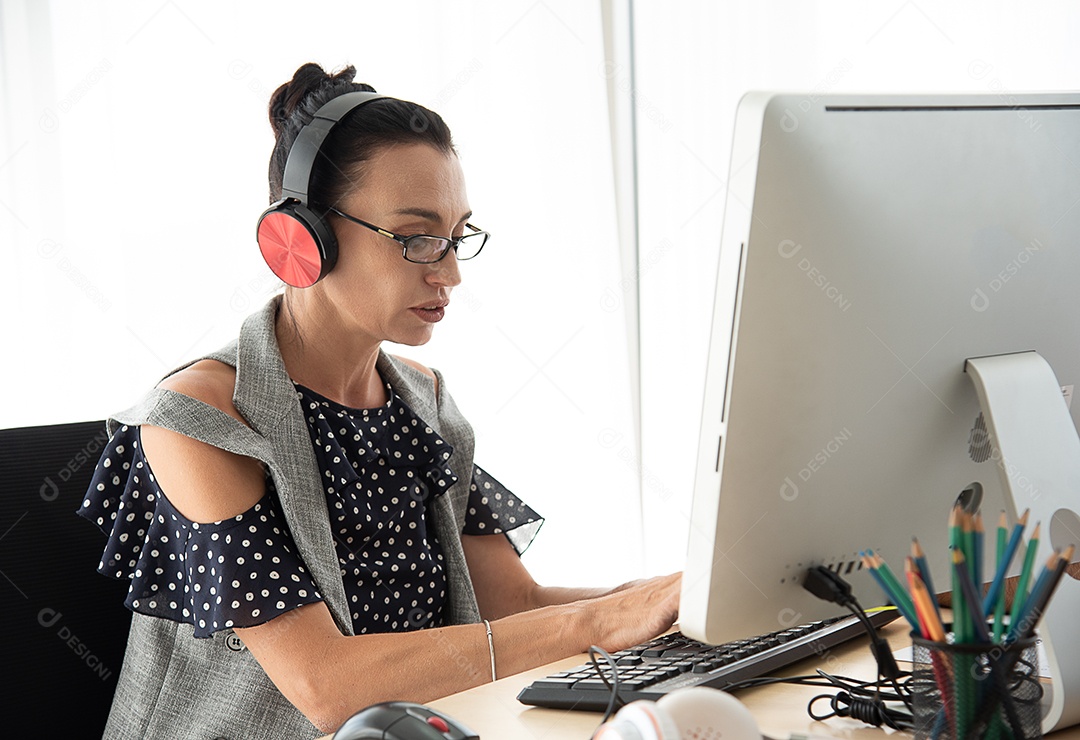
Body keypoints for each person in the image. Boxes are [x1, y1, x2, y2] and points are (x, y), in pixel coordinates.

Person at [78, 62, 681, 739]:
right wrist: (602, 620)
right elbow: (325, 684)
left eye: (457, 237)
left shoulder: (425, 403)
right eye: (417, 237)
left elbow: (514, 605)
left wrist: (682, 595)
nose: (449, 272)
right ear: (301, 239)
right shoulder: (201, 421)